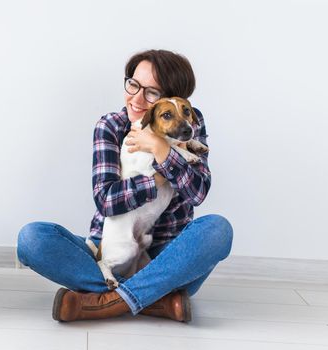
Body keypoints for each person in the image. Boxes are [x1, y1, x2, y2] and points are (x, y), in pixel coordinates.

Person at [16, 49, 233, 323]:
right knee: (31, 238)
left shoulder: (188, 120)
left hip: (168, 253)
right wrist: (159, 176)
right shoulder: (110, 125)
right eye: (133, 84)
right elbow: (106, 200)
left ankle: (102, 301)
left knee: (218, 230)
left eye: (152, 92)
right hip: (109, 243)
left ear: (174, 99)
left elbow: (198, 192)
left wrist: (158, 147)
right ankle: (158, 301)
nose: (137, 98)